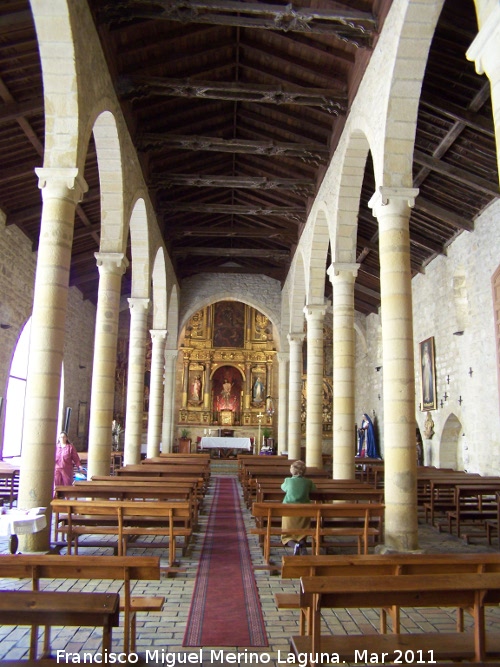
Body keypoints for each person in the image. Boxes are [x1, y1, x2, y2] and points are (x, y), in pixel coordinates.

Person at [281, 460, 316, 555]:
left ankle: (294, 545)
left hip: (289, 511)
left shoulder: (288, 480)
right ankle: (302, 545)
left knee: (286, 534)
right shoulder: (308, 482)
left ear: (292, 470)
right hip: (304, 511)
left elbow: (283, 488)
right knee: (303, 532)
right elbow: (314, 489)